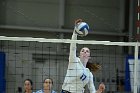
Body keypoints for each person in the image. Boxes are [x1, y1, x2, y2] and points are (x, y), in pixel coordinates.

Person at [61, 19, 105, 93]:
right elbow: (73, 47)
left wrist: (99, 91)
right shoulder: (74, 61)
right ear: (79, 55)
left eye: (87, 51)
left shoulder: (89, 74)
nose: (85, 52)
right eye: (82, 51)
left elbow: (92, 91)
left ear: (89, 56)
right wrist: (75, 31)